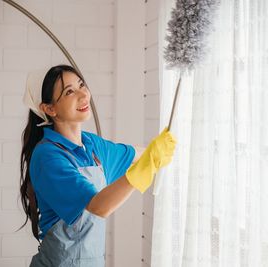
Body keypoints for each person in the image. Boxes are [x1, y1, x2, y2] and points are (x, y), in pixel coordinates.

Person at [19, 64, 176, 266]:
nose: (83, 95)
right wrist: (144, 169)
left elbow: (135, 154)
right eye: (69, 92)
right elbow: (98, 206)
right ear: (50, 109)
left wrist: (158, 148)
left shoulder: (92, 145)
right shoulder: (47, 156)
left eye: (81, 84)